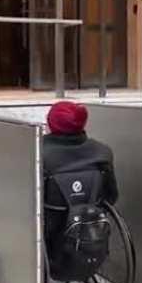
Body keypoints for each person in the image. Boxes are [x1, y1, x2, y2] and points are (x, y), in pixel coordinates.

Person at [43, 101, 118, 271]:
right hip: (89, 220)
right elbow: (111, 196)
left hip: (49, 223)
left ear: (51, 124)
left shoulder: (38, 151)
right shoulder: (103, 152)